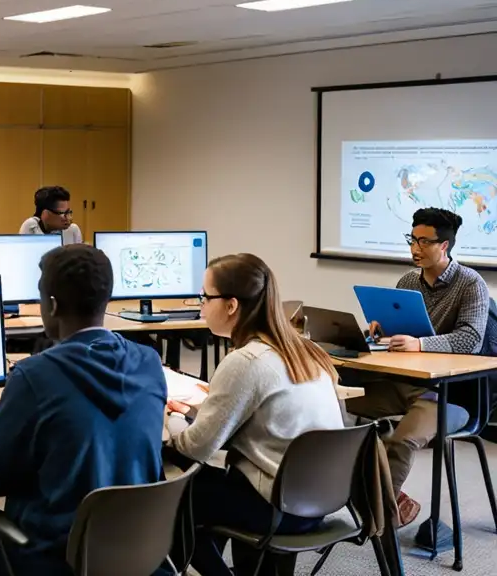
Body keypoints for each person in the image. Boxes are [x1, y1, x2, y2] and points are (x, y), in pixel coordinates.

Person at [0, 244, 167, 576]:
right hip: (137, 550)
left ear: (52, 305)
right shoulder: (148, 362)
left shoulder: (36, 375)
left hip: (55, 557)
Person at [165, 253, 344, 576]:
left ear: (231, 305)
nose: (200, 305)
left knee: (173, 495)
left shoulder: (246, 362)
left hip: (280, 507)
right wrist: (200, 410)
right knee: (209, 486)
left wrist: (171, 422)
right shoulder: (303, 350)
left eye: (205, 297)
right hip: (321, 497)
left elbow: (196, 447)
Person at [346, 208, 492, 528]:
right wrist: (381, 331)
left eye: (424, 242)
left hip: (452, 396)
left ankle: (378, 518)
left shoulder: (471, 284)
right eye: (412, 239)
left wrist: (421, 344)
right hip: (406, 384)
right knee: (337, 407)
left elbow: (471, 339)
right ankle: (390, 502)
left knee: (402, 440)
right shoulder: (409, 280)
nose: (415, 248)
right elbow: (400, 330)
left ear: (445, 246)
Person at [19, 186, 83, 245]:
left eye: (68, 212)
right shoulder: (31, 226)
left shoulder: (72, 229)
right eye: (63, 214)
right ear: (45, 214)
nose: (69, 218)